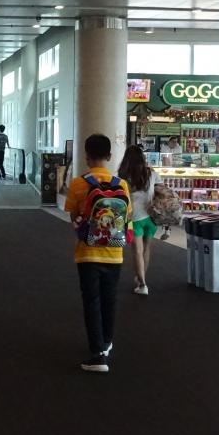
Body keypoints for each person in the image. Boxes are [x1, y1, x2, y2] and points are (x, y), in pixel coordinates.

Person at [64, 133, 130, 374]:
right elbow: (126, 217)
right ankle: (107, 341)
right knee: (109, 299)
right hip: (114, 251)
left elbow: (74, 217)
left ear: (86, 156)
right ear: (110, 156)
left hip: (87, 253)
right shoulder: (121, 184)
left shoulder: (78, 184)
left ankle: (97, 353)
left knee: (91, 301)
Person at [118, 145, 157, 295]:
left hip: (134, 218)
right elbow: (160, 189)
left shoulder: (123, 176)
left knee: (138, 251)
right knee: (147, 249)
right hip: (151, 217)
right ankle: (142, 277)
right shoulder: (151, 173)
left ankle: (142, 284)